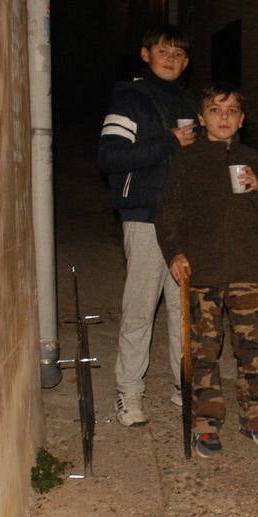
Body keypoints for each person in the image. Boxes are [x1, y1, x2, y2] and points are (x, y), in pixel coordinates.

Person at [156, 84, 258, 458]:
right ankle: (206, 421)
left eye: (231, 111)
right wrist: (175, 254)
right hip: (203, 271)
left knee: (253, 346)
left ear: (242, 120)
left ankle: (255, 414)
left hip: (245, 270)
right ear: (201, 118)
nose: (223, 117)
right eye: (215, 110)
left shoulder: (252, 158)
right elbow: (169, 214)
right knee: (204, 350)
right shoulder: (187, 160)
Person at [99, 25, 199, 427]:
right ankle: (129, 392)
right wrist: (169, 142)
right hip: (144, 216)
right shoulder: (130, 99)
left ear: (187, 62)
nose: (171, 60)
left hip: (186, 219)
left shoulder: (192, 102)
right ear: (145, 54)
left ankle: (184, 386)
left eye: (179, 54)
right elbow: (110, 157)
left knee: (183, 309)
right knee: (140, 308)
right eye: (163, 51)